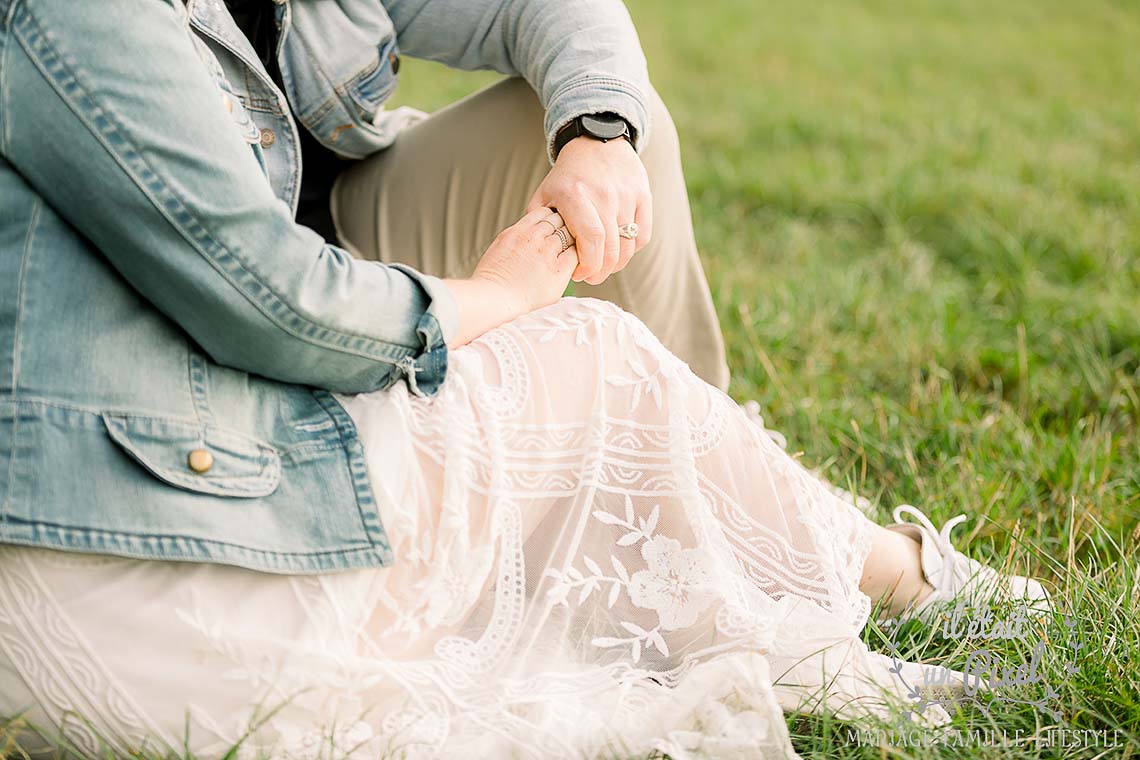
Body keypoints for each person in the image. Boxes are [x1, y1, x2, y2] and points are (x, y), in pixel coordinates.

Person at [0, 1, 1048, 758]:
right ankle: (870, 560)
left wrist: (599, 133)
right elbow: (262, 295)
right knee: (592, 362)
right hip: (200, 354)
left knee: (618, 140)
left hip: (333, 247)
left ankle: (744, 509)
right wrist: (491, 298)